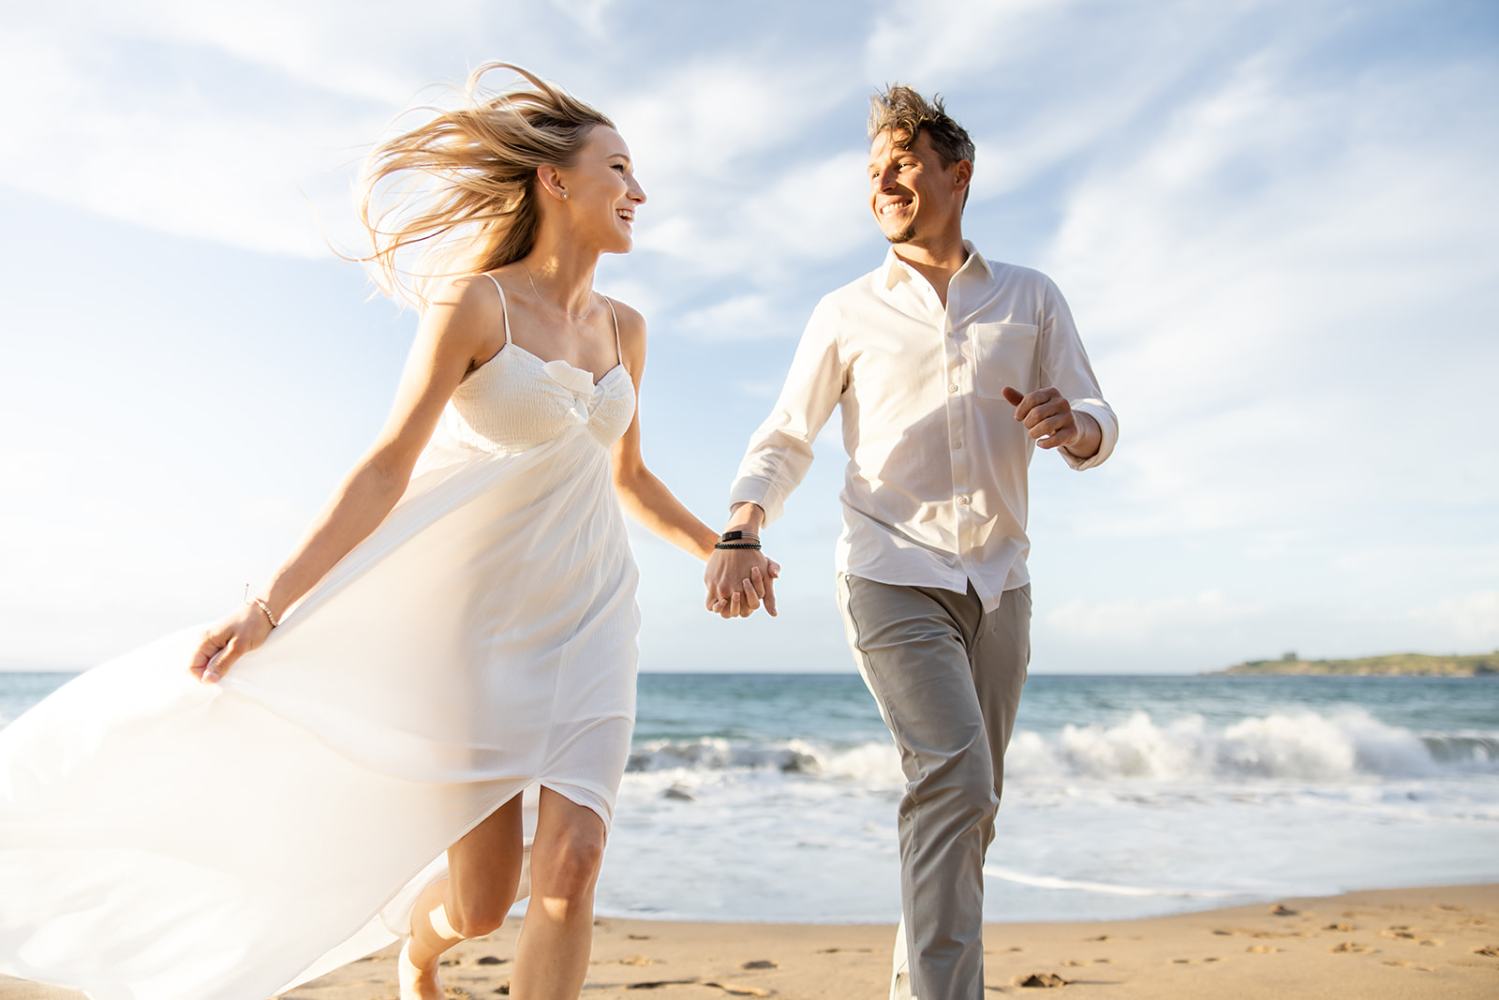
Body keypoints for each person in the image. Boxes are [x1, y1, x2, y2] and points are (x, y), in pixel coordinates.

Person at [0, 62, 758, 1000]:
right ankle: (418, 951)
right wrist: (268, 607)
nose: (638, 190)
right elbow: (387, 465)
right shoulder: (476, 304)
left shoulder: (626, 329)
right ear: (554, 181)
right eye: (620, 168)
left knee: (572, 864)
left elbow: (629, 478)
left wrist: (722, 550)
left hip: (594, 616)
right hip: (475, 634)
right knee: (483, 905)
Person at [703, 85, 1118, 999]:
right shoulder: (845, 310)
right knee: (955, 781)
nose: (882, 182)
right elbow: (785, 434)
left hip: (1001, 582)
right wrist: (741, 526)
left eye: (902, 162)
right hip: (890, 572)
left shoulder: (1030, 296)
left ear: (956, 175)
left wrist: (1074, 427)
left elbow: (1093, 411)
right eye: (873, 170)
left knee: (968, 807)